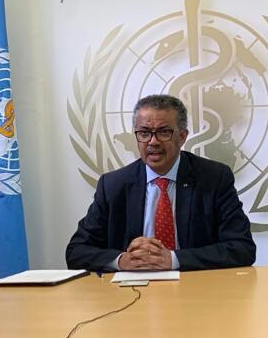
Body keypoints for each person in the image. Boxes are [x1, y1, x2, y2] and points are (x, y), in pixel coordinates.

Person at [65, 94, 256, 272]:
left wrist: (173, 259)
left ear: (182, 137)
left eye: (164, 132)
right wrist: (122, 260)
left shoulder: (214, 178)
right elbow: (76, 251)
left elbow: (242, 248)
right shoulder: (113, 185)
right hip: (131, 289)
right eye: (144, 133)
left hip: (194, 287)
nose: (153, 142)